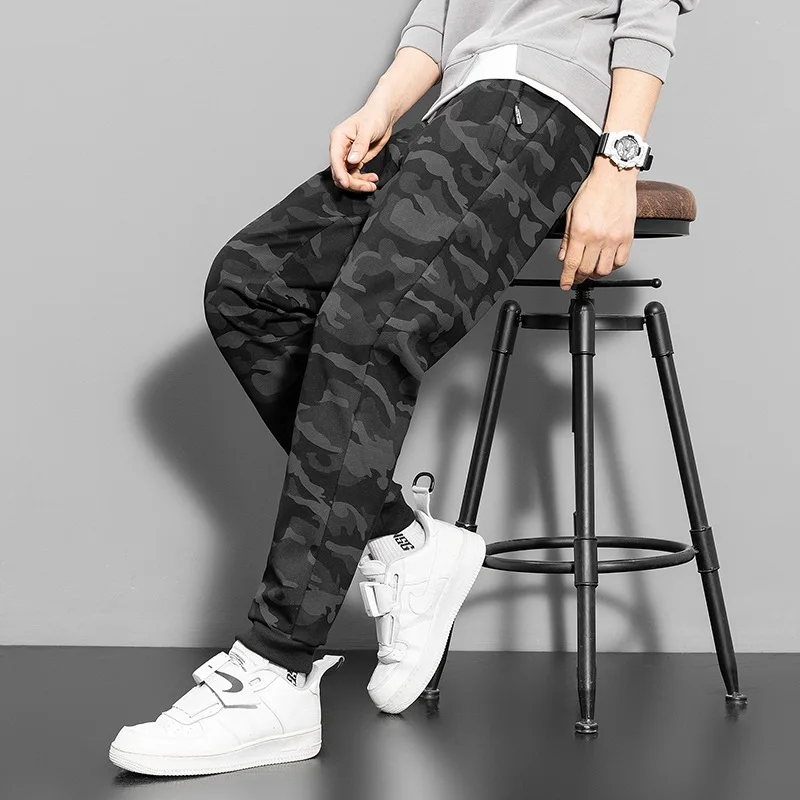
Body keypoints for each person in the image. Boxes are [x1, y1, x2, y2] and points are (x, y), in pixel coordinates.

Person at [109, 0, 699, 776]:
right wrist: (382, 107)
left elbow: (650, 13)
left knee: (367, 326)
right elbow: (440, 16)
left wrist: (618, 165)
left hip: (540, 110)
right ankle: (404, 542)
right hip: (460, 109)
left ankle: (278, 668)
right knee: (250, 287)